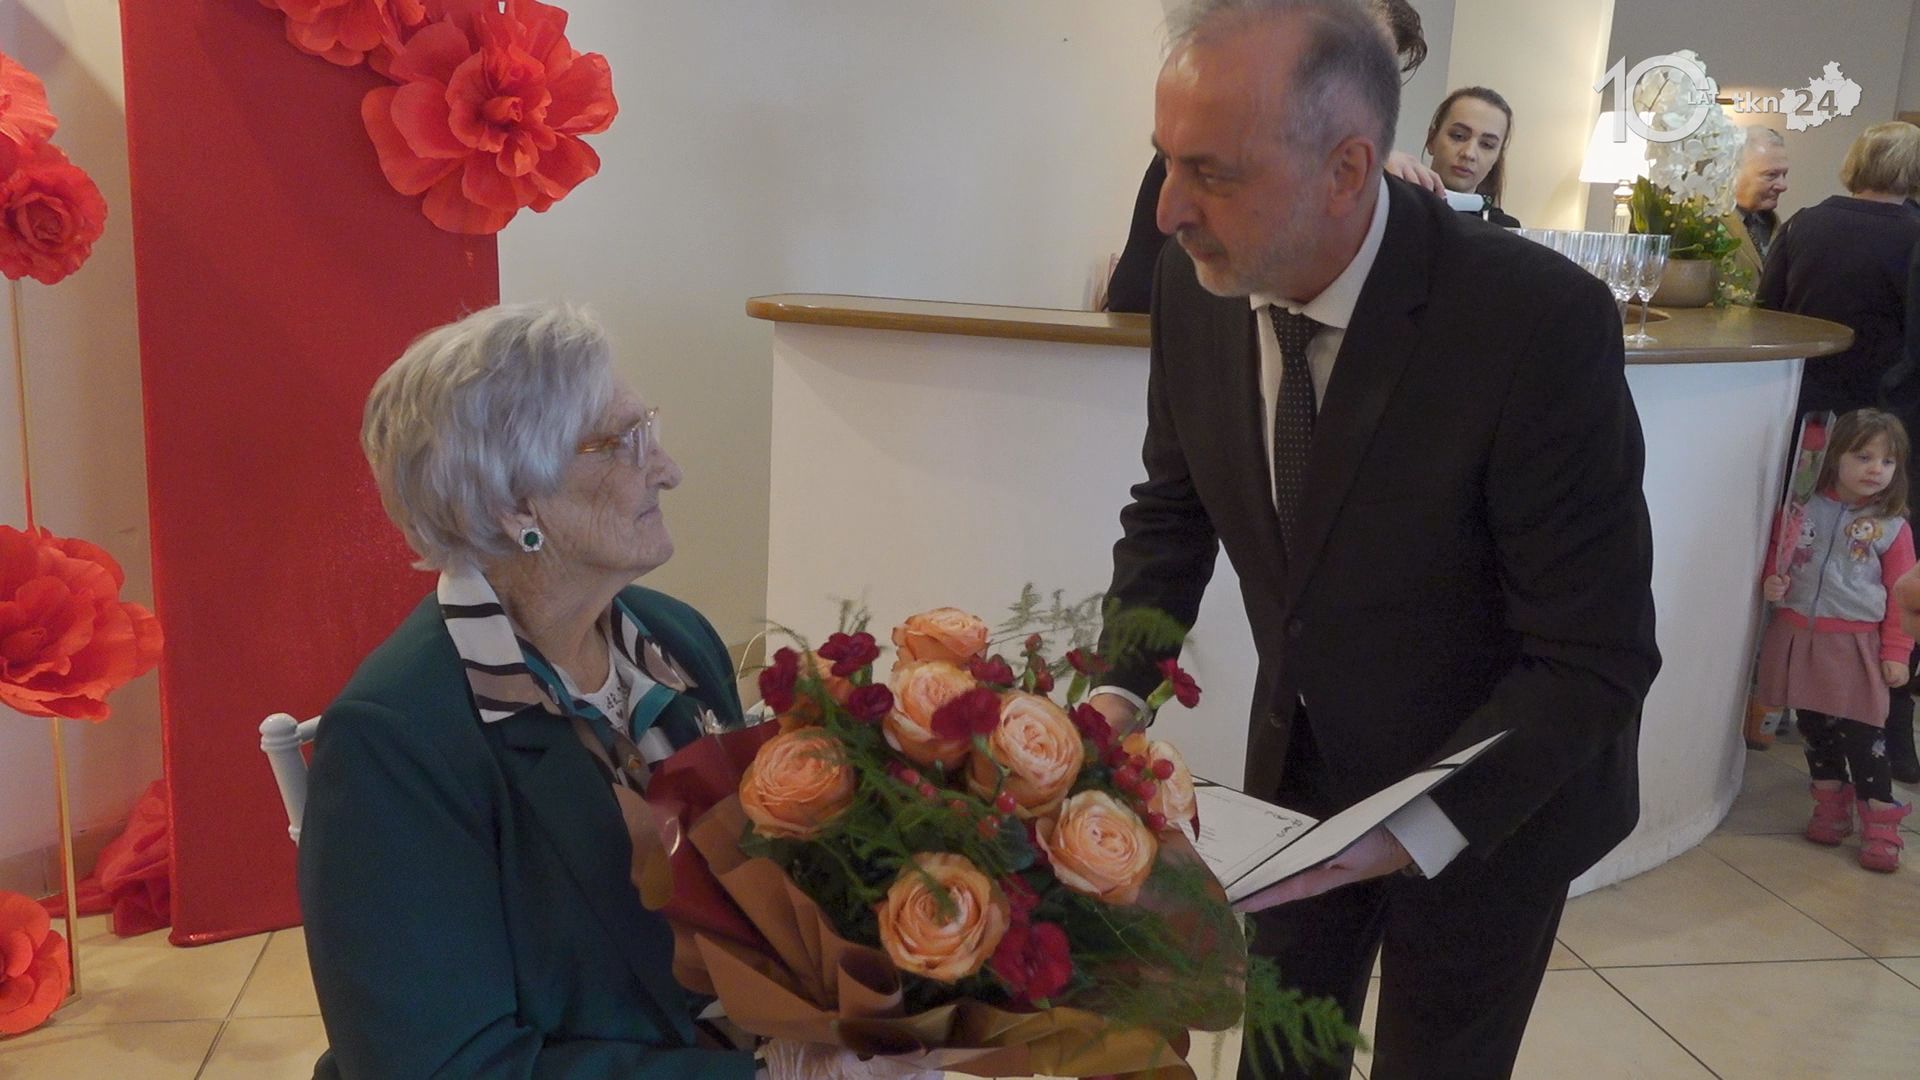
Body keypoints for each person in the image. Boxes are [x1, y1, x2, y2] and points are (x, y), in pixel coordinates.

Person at [1090, 1, 1659, 1077]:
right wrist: (1110, 700)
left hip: (1495, 793)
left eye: (1212, 173)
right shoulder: (1193, 286)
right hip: (1300, 771)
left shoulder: (1533, 321)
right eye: (1165, 161)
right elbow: (1174, 510)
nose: (1167, 210)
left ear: (1346, 169)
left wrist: (1407, 831)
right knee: (1281, 1058)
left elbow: (1596, 655)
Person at [298, 303, 890, 1079]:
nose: (668, 469)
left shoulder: (676, 639)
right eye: (620, 443)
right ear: (514, 506)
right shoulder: (396, 739)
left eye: (647, 429)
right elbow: (444, 1067)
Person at [1759, 121, 1920, 781]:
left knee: (1798, 555)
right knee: (1890, 571)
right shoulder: (1915, 235)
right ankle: (1891, 731)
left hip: (1811, 430)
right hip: (1890, 436)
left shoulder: (1803, 225)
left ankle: (1780, 701)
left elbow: (1766, 317)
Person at [1103, 0, 1437, 313]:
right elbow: (1131, 292)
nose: (1168, 216)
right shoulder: (1182, 274)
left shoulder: (1451, 289)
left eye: (1375, 75)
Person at [1757, 409, 1915, 869]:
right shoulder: (1800, 509)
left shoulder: (1892, 525)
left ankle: (1880, 820)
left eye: (1887, 461)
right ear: (1833, 457)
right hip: (1800, 634)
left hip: (1857, 644)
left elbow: (1904, 596)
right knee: (1814, 728)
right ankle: (1830, 803)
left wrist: (1897, 653)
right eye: (1863, 457)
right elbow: (1778, 556)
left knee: (1865, 735)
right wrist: (1773, 581)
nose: (1875, 469)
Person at [1422, 86, 1519, 227]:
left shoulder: (1505, 228)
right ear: (1432, 139)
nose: (1469, 154)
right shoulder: (1396, 204)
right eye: (1458, 136)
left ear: (1497, 158)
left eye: (1487, 145)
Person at [1726, 127, 1790, 282]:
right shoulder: (1703, 222)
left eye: (1784, 174)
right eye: (1771, 175)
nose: (1783, 186)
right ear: (1733, 172)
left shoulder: (1771, 223)